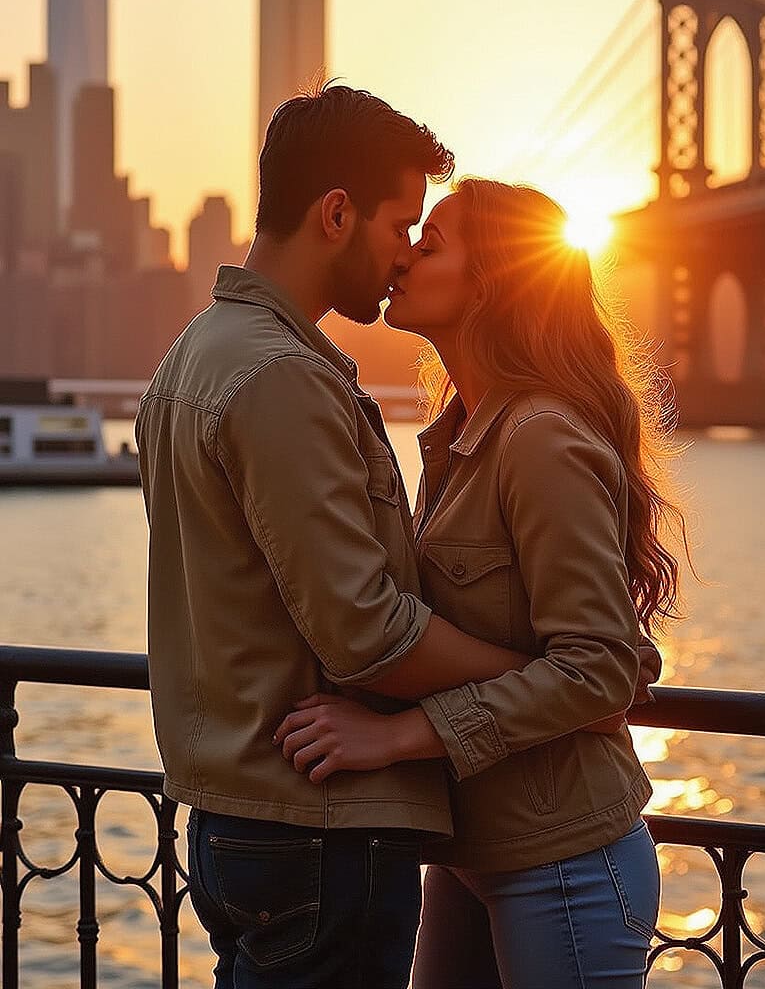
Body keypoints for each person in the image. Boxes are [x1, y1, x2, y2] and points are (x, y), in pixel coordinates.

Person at [136, 90, 543, 989]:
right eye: (400, 223)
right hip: (318, 825)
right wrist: (532, 670)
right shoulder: (281, 376)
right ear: (334, 214)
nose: (407, 250)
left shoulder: (189, 359)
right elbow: (366, 632)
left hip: (233, 816)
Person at [275, 177, 685, 988]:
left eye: (430, 245)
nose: (404, 256)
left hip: (564, 864)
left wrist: (394, 735)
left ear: (488, 281)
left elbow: (600, 669)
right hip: (472, 854)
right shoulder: (459, 439)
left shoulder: (538, 441)